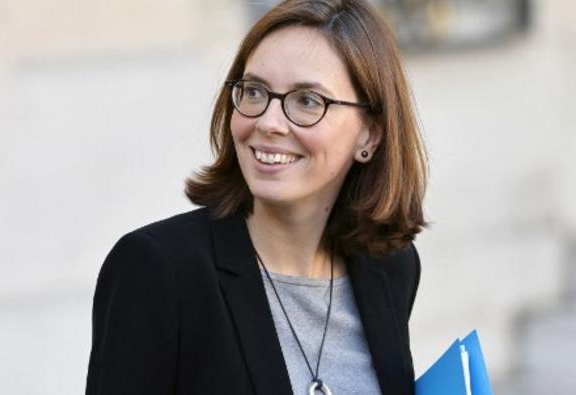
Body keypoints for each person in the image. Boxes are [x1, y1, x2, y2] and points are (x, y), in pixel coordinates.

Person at [85, 0, 427, 394]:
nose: (267, 122)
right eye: (254, 91)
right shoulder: (158, 270)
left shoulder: (390, 267)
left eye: (308, 101)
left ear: (370, 134)